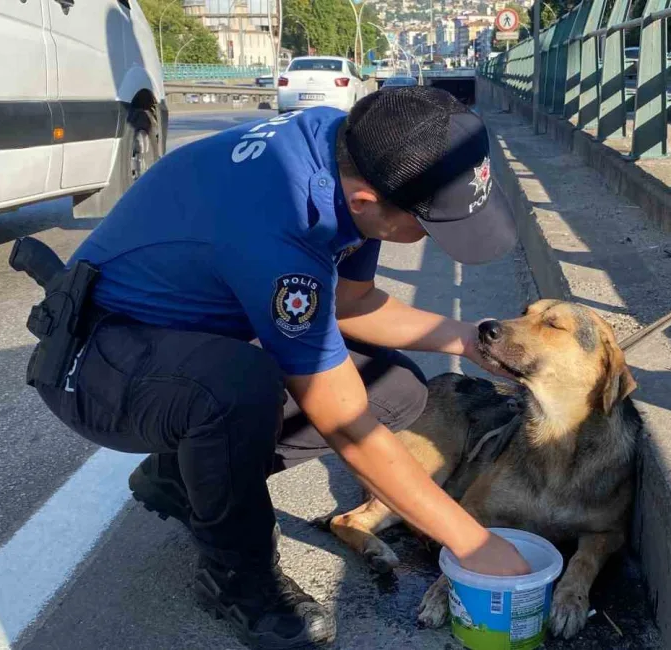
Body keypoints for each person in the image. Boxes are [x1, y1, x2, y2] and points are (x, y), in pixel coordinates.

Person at [33, 86, 531, 649]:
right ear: (367, 202)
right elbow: (344, 423)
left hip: (178, 339)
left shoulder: (349, 148)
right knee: (236, 388)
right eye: (431, 224)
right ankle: (237, 581)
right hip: (97, 359)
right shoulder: (283, 224)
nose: (437, 241)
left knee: (393, 389)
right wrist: (472, 544)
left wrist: (467, 340)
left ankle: (182, 478)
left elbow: (351, 302)